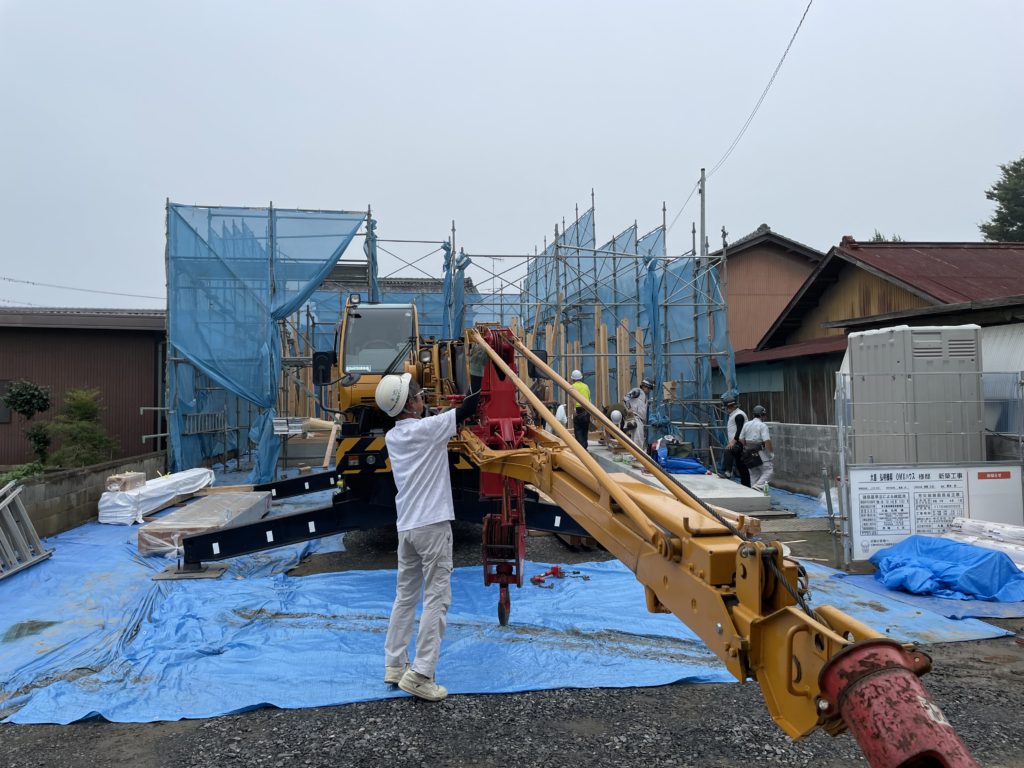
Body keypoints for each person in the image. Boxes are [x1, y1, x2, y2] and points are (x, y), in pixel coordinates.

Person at [376, 370, 479, 702]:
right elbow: (466, 409)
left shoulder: (395, 437)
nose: (423, 398)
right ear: (409, 405)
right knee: (437, 597)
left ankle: (394, 664)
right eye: (418, 396)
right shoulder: (429, 430)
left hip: (406, 527)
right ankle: (421, 674)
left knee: (405, 596)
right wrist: (481, 379)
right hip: (433, 526)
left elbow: (443, 418)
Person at [739, 404, 774, 493]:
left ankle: (755, 493)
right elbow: (767, 441)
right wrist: (771, 453)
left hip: (748, 453)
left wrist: (747, 446)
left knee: (754, 475)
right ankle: (758, 487)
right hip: (759, 452)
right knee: (768, 471)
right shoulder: (762, 426)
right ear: (762, 415)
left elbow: (741, 439)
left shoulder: (746, 424)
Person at [719, 395, 750, 488]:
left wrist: (733, 441)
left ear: (730, 406)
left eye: (726, 408)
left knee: (729, 450)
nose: (726, 410)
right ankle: (746, 486)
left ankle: (728, 472)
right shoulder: (734, 414)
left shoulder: (739, 415)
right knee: (742, 466)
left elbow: (739, 429)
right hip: (738, 442)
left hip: (740, 442)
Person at [624, 378, 654, 450]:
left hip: (639, 420)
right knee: (638, 440)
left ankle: (635, 456)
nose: (649, 391)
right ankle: (636, 457)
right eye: (649, 388)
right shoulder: (638, 391)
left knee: (637, 440)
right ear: (644, 386)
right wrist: (629, 408)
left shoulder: (643, 396)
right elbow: (626, 397)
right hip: (636, 418)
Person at [569, 369, 591, 448]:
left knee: (578, 430)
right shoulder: (586, 386)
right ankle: (585, 447)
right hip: (587, 410)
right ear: (581, 378)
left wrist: (574, 409)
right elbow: (589, 399)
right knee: (585, 430)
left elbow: (573, 399)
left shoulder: (573, 387)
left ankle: (581, 449)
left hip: (578, 410)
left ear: (573, 379)